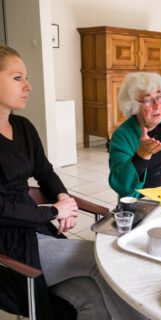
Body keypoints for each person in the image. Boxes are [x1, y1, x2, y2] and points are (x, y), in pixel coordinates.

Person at [0, 45, 146, 320]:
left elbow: (45, 173)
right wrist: (54, 211)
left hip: (35, 229)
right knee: (102, 259)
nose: (28, 86)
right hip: (9, 246)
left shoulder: (23, 127)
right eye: (17, 78)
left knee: (91, 298)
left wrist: (64, 199)